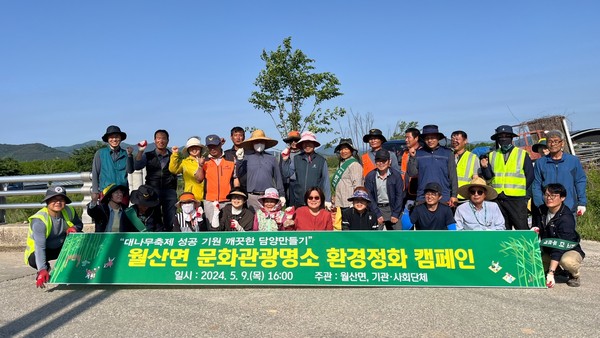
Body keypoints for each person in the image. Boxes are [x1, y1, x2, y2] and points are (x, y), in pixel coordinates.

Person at [24, 186, 83, 288]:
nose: (58, 202)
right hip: (45, 250)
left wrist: (75, 228)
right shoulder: (39, 220)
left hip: (61, 246)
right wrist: (42, 269)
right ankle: (45, 269)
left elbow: (79, 224)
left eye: (61, 200)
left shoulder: (69, 211)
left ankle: (76, 269)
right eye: (54, 200)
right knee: (34, 260)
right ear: (47, 201)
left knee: (81, 237)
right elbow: (40, 247)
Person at [480, 125, 534, 230]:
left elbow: (530, 176)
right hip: (498, 198)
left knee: (521, 227)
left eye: (506, 136)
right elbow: (489, 177)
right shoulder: (492, 155)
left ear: (512, 138)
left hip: (516, 199)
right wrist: (485, 167)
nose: (503, 138)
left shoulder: (522, 154)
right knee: (503, 228)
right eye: (500, 136)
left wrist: (521, 191)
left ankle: (525, 247)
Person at [535, 183, 585, 288]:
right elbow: (537, 229)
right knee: (534, 263)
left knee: (567, 261)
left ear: (562, 198)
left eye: (553, 196)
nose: (549, 198)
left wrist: (550, 273)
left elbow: (559, 247)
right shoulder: (541, 210)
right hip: (548, 248)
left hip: (568, 249)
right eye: (547, 195)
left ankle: (574, 275)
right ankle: (558, 270)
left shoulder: (566, 218)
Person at [532, 130, 587, 218]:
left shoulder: (573, 161)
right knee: (549, 231)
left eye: (556, 141)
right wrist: (540, 203)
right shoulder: (540, 163)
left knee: (568, 231)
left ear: (562, 143)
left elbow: (580, 181)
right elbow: (536, 184)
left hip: (569, 206)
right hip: (548, 207)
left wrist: (582, 202)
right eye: (550, 141)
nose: (553, 144)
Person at [134, 129, 178, 231]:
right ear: (154, 140)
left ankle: (170, 240)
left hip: (170, 191)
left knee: (171, 219)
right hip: (152, 191)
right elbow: (137, 166)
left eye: (163, 138)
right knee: (154, 219)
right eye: (158, 138)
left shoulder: (173, 156)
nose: (161, 141)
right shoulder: (148, 155)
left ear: (167, 140)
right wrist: (140, 151)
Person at [407, 125, 458, 207]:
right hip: (423, 197)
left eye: (433, 138)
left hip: (443, 197)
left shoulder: (448, 153)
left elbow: (453, 176)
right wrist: (412, 158)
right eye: (427, 138)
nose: (430, 140)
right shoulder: (418, 153)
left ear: (438, 138)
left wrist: (454, 195)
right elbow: (412, 173)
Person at [236, 129, 285, 211]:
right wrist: (239, 161)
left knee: (269, 221)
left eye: (261, 141)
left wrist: (282, 194)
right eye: (256, 141)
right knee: (254, 221)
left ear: (265, 143)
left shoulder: (272, 158)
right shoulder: (246, 158)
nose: (259, 144)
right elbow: (239, 173)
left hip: (268, 197)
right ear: (252, 143)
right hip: (252, 197)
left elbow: (278, 178)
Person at [195, 134, 237, 229]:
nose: (213, 149)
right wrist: (200, 166)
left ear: (220, 145)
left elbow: (235, 179)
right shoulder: (204, 161)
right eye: (210, 147)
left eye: (215, 146)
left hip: (227, 201)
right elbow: (198, 179)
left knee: (228, 227)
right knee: (212, 228)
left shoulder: (230, 158)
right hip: (210, 201)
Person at [281, 131, 332, 208]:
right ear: (301, 145)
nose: (307, 145)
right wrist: (285, 160)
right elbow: (287, 173)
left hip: (315, 200)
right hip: (299, 200)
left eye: (310, 143)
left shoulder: (321, 160)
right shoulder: (296, 159)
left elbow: (326, 181)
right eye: (304, 143)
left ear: (314, 144)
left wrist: (327, 199)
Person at [91, 125, 134, 204]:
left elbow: (130, 170)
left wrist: (130, 156)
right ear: (107, 139)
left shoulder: (126, 153)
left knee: (122, 215)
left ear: (120, 138)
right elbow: (95, 172)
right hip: (105, 191)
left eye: (117, 137)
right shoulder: (100, 153)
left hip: (122, 192)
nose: (114, 139)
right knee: (106, 215)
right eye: (111, 137)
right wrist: (95, 191)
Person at [364, 149, 405, 230]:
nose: (381, 163)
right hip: (377, 208)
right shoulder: (370, 176)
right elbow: (369, 196)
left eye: (384, 161)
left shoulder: (396, 176)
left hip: (392, 207)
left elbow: (399, 195)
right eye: (378, 161)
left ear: (389, 161)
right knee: (376, 237)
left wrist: (396, 214)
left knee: (398, 237)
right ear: (375, 162)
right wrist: (377, 214)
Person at [169, 136, 206, 201]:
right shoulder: (185, 162)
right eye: (191, 147)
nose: (194, 149)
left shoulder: (206, 161)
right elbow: (173, 169)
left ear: (200, 148)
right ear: (188, 150)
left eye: (196, 146)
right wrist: (174, 155)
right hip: (191, 197)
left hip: (206, 197)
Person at [332, 138, 363, 211]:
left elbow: (357, 185)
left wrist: (356, 201)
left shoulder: (354, 164)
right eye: (341, 149)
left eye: (346, 149)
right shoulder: (341, 163)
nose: (343, 151)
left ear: (351, 150)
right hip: (340, 201)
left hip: (349, 203)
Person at [451, 130, 481, 202]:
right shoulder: (448, 155)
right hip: (450, 196)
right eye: (452, 139)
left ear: (465, 141)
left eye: (457, 139)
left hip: (465, 197)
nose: (454, 141)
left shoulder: (473, 157)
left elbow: (476, 178)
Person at [279, 130, 302, 206]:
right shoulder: (284, 154)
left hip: (301, 184)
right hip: (289, 184)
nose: (293, 143)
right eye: (291, 141)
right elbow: (281, 171)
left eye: (296, 140)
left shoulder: (304, 154)